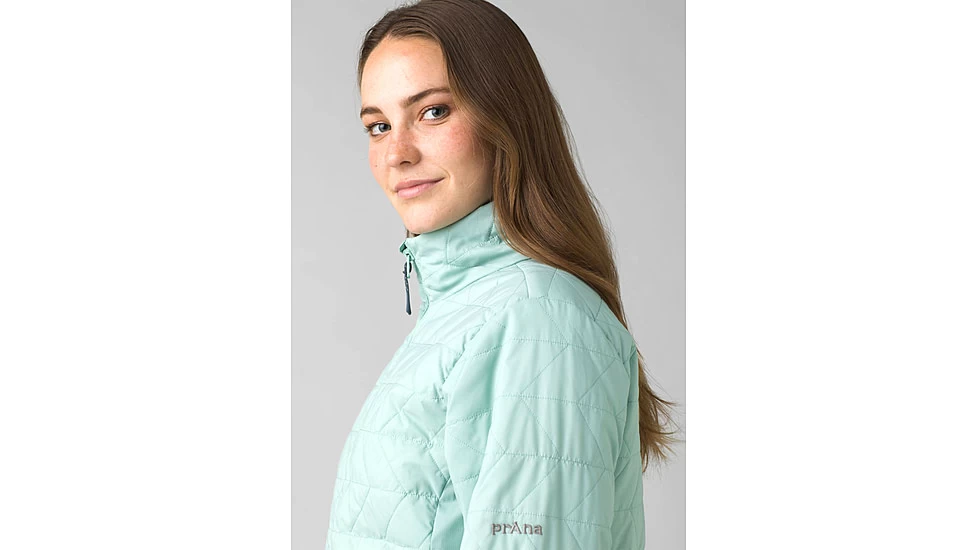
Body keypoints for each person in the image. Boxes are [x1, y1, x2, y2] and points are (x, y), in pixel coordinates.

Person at [325, 0, 680, 548]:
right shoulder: (478, 312)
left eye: (433, 112)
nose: (396, 153)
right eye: (378, 126)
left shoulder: (536, 319)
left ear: (504, 117)